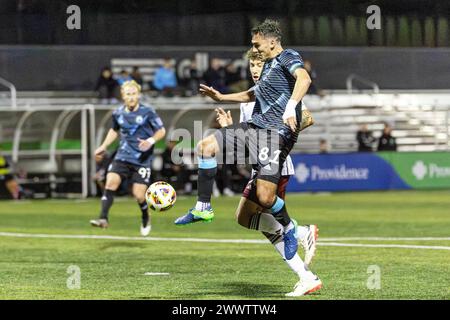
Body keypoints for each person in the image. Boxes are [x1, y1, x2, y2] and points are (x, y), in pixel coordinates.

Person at [174, 19, 321, 296]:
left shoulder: (288, 57)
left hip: (273, 135)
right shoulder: (265, 69)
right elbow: (253, 94)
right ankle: (203, 207)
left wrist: (292, 108)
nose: (254, 51)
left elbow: (305, 79)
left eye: (256, 45)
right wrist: (221, 97)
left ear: (272, 41)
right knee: (206, 145)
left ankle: (294, 232)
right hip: (255, 132)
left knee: (266, 200)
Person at [214, 48, 319, 296]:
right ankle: (304, 264)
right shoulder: (249, 101)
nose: (254, 70)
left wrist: (283, 129)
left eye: (258, 65)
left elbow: (307, 117)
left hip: (276, 165)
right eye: (251, 66)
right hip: (260, 165)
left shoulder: (276, 92)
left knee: (254, 216)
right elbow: (246, 148)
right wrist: (231, 130)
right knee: (248, 219)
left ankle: (301, 239)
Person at [90, 80, 166, 236]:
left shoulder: (148, 112)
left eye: (133, 94)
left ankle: (145, 216)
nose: (131, 97)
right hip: (122, 156)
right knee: (110, 183)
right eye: (127, 94)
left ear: (138, 95)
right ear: (123, 96)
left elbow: (161, 131)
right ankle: (103, 218)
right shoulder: (118, 113)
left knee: (138, 195)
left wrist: (150, 141)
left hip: (142, 160)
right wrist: (103, 146)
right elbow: (114, 130)